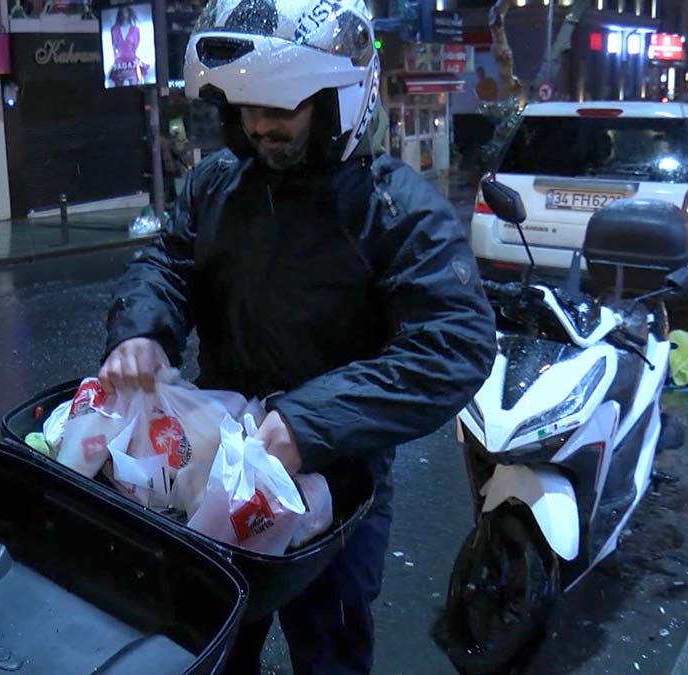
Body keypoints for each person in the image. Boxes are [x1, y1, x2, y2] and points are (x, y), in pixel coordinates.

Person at [97, 0, 497, 673]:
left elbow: (455, 341)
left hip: (338, 492)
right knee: (211, 644)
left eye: (281, 109)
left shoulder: (394, 207)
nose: (259, 126)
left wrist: (308, 422)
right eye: (247, 108)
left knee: (330, 653)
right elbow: (167, 262)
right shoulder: (216, 184)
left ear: (337, 102)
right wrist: (141, 332)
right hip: (218, 465)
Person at [108, 7, 150, 87]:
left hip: (132, 61)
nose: (124, 15)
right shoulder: (114, 29)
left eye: (126, 12)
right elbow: (114, 46)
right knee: (118, 85)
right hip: (119, 62)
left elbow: (136, 45)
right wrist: (116, 61)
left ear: (129, 13)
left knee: (134, 85)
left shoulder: (135, 30)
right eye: (122, 12)